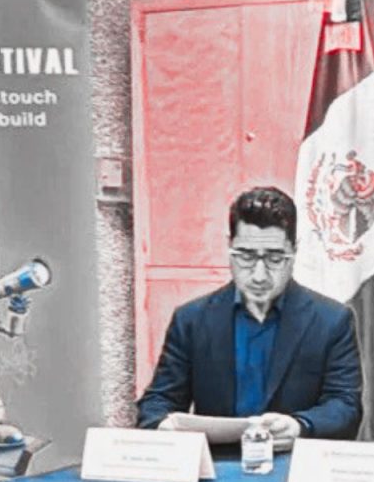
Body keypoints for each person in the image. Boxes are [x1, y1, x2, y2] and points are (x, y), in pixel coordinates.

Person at [137, 186, 362, 450]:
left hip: (293, 470)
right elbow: (156, 403)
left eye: (274, 258)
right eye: (246, 256)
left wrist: (300, 426)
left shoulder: (332, 321)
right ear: (228, 246)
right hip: (216, 473)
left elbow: (346, 407)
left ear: (294, 251)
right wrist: (164, 426)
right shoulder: (192, 320)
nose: (258, 275)